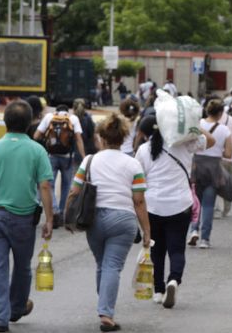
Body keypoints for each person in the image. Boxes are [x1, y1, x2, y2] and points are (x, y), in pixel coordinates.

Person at [0, 100, 54, 333]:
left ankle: (0, 317)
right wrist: (49, 219)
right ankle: (16, 308)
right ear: (30, 122)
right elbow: (45, 187)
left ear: (5, 122)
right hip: (24, 219)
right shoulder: (37, 150)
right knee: (22, 267)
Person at [66, 114, 151, 332]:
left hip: (94, 219)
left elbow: (74, 192)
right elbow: (139, 201)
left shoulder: (89, 160)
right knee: (112, 265)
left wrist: (68, 217)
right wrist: (147, 231)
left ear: (101, 138)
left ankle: (104, 306)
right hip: (123, 220)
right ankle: (105, 312)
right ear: (123, 138)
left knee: (102, 264)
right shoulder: (133, 164)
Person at [135, 115, 214, 308]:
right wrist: (193, 125)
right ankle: (174, 280)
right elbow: (211, 141)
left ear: (145, 133)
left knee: (157, 249)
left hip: (153, 205)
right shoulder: (184, 144)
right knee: (177, 249)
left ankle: (159, 290)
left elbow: (138, 179)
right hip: (180, 205)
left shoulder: (143, 151)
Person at [188, 99, 232, 249]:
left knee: (195, 202)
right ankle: (205, 239)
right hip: (213, 168)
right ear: (220, 113)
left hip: (196, 166)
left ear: (207, 111)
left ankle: (194, 230)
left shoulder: (197, 125)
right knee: (208, 205)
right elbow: (228, 153)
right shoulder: (225, 130)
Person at [34, 104, 86, 228]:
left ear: (56, 111)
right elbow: (78, 138)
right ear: (67, 111)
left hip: (51, 156)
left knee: (49, 185)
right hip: (67, 158)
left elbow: (36, 136)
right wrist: (84, 157)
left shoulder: (49, 117)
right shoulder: (73, 118)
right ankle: (62, 213)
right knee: (66, 186)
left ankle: (55, 210)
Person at [73, 98, 99, 165]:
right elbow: (94, 136)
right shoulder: (88, 119)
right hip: (88, 153)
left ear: (73, 108)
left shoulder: (71, 119)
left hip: (74, 154)